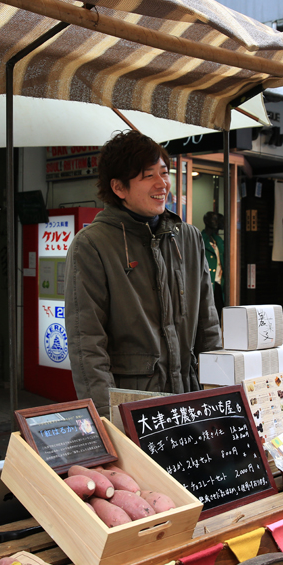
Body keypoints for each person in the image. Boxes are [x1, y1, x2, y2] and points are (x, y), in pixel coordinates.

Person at [64, 131, 222, 412]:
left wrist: (220, 396)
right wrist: (106, 418)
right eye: (148, 175)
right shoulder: (92, 245)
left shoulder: (188, 237)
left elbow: (208, 327)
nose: (162, 184)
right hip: (133, 404)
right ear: (119, 188)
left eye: (164, 172)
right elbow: (86, 344)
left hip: (191, 396)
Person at [201, 211, 225, 318]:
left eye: (217, 220)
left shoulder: (218, 240)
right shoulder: (200, 239)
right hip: (207, 282)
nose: (216, 222)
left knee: (220, 313)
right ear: (206, 221)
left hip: (219, 283)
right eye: (213, 219)